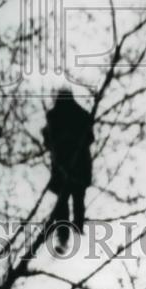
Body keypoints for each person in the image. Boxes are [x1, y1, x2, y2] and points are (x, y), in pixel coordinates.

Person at [43, 89, 94, 252]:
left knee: (72, 199)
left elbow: (89, 137)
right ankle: (66, 235)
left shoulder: (78, 116)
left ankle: (74, 230)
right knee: (65, 202)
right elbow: (49, 139)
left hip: (76, 164)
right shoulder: (56, 118)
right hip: (63, 165)